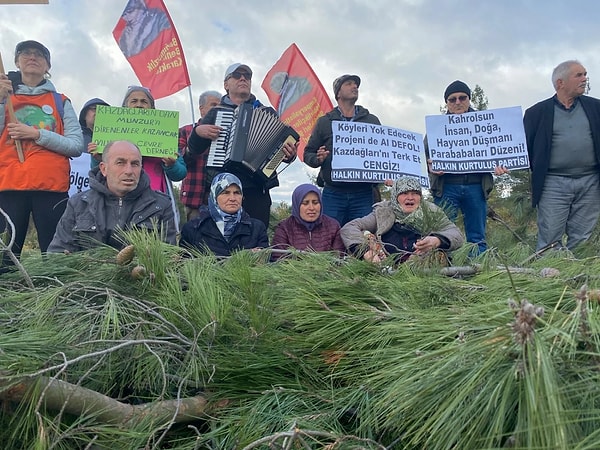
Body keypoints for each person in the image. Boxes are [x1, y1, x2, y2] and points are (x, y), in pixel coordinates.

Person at [0, 40, 83, 263]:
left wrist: (36, 134)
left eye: (39, 54)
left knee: (55, 254)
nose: (32, 57)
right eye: (26, 53)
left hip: (51, 187)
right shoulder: (5, 97)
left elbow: (76, 145)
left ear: (48, 67)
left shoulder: (61, 101)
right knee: (5, 256)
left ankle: (53, 295)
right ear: (17, 62)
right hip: (9, 186)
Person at [187, 63, 298, 227]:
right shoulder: (216, 113)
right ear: (226, 84)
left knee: (256, 238)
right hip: (223, 189)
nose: (243, 78)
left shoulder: (266, 112)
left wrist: (289, 155)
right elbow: (193, 151)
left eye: (247, 76)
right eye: (237, 75)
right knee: (221, 240)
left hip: (256, 188)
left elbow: (280, 148)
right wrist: (198, 132)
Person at [524, 60, 600, 251]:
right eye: (579, 75)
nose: (584, 79)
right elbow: (524, 148)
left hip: (590, 181)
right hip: (553, 183)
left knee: (583, 237)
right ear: (560, 83)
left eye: (585, 74)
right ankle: (551, 278)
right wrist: (504, 165)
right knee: (550, 239)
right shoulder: (536, 113)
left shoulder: (596, 108)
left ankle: (580, 279)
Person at [48, 140, 176, 253]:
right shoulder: (78, 204)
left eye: (135, 164)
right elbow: (58, 253)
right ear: (104, 169)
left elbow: (168, 258)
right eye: (120, 162)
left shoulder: (160, 206)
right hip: (87, 278)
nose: (129, 171)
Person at [425, 80, 507, 255]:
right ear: (446, 103)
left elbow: (500, 150)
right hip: (446, 187)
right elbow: (421, 156)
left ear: (469, 99)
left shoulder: (486, 125)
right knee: (443, 233)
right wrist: (429, 164)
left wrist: (501, 166)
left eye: (462, 97)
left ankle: (477, 271)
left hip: (476, 186)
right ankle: (446, 269)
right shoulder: (437, 127)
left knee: (477, 235)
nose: (457, 102)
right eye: (452, 99)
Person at [304, 74, 381, 227]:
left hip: (363, 193)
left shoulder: (371, 121)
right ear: (338, 93)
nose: (355, 87)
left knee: (363, 237)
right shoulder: (325, 122)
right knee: (328, 236)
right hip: (333, 193)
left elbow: (382, 153)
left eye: (356, 85)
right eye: (349, 84)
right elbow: (308, 153)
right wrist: (318, 159)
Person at [340, 176, 464, 264]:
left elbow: (456, 234)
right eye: (404, 193)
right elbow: (349, 228)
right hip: (384, 266)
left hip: (422, 267)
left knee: (438, 254)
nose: (410, 198)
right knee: (366, 235)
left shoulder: (432, 211)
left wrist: (437, 240)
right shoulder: (383, 211)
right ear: (395, 196)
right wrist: (365, 251)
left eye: (415, 193)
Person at [179, 172, 269, 257]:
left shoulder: (257, 228)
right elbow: (183, 265)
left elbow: (266, 264)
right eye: (225, 193)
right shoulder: (193, 228)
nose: (232, 198)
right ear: (214, 196)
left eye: (237, 193)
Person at [271, 183, 345, 260]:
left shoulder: (333, 226)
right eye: (305, 203)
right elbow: (279, 259)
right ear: (297, 204)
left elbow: (338, 259)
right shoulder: (284, 228)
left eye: (315, 202)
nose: (311, 208)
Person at [178, 90, 221, 222]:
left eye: (220, 106)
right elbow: (178, 161)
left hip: (221, 202)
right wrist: (195, 141)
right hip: (194, 199)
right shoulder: (185, 131)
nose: (217, 109)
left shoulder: (227, 133)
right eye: (213, 105)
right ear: (201, 109)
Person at [69, 97, 110, 196]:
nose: (99, 112)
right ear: (84, 115)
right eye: (94, 108)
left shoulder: (116, 143)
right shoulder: (73, 138)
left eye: (103, 110)